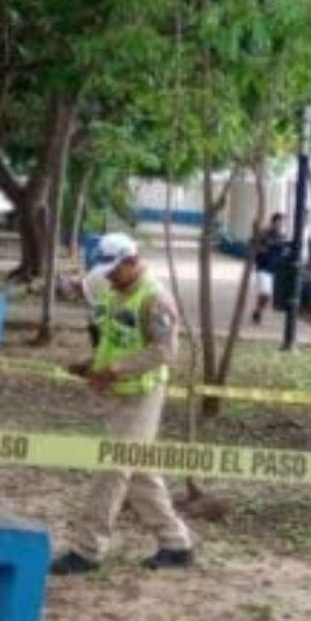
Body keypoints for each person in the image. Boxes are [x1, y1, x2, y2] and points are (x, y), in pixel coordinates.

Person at [52, 233, 196, 575]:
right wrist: (92, 364)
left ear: (132, 262)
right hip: (118, 394)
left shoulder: (155, 299)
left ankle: (86, 551)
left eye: (115, 270)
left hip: (140, 396)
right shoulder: (114, 291)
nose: (109, 277)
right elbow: (116, 339)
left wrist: (115, 370)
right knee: (139, 470)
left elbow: (165, 352)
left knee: (113, 469)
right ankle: (177, 544)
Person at [251, 213, 289, 325]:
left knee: (266, 296)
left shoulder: (281, 237)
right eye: (280, 221)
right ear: (274, 221)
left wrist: (284, 253)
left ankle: (257, 312)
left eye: (283, 222)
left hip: (273, 269)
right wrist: (261, 249)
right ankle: (257, 312)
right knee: (265, 293)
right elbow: (253, 242)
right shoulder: (265, 233)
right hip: (263, 267)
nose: (281, 224)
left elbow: (283, 252)